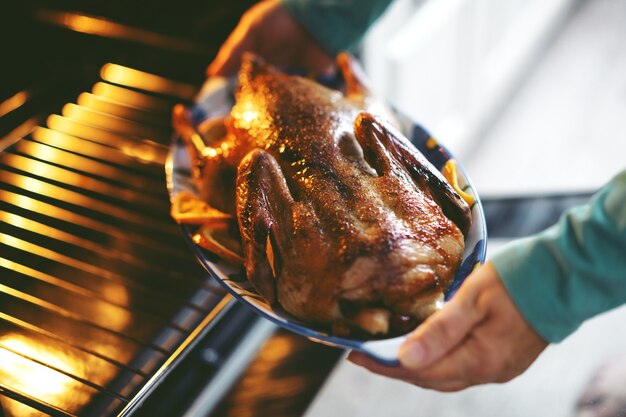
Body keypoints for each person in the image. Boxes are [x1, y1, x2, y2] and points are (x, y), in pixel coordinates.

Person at [208, 0, 626, 392]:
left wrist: (562, 275)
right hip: (429, 253)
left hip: (330, 287)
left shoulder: (242, 124)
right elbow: (375, 126)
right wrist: (321, 13)